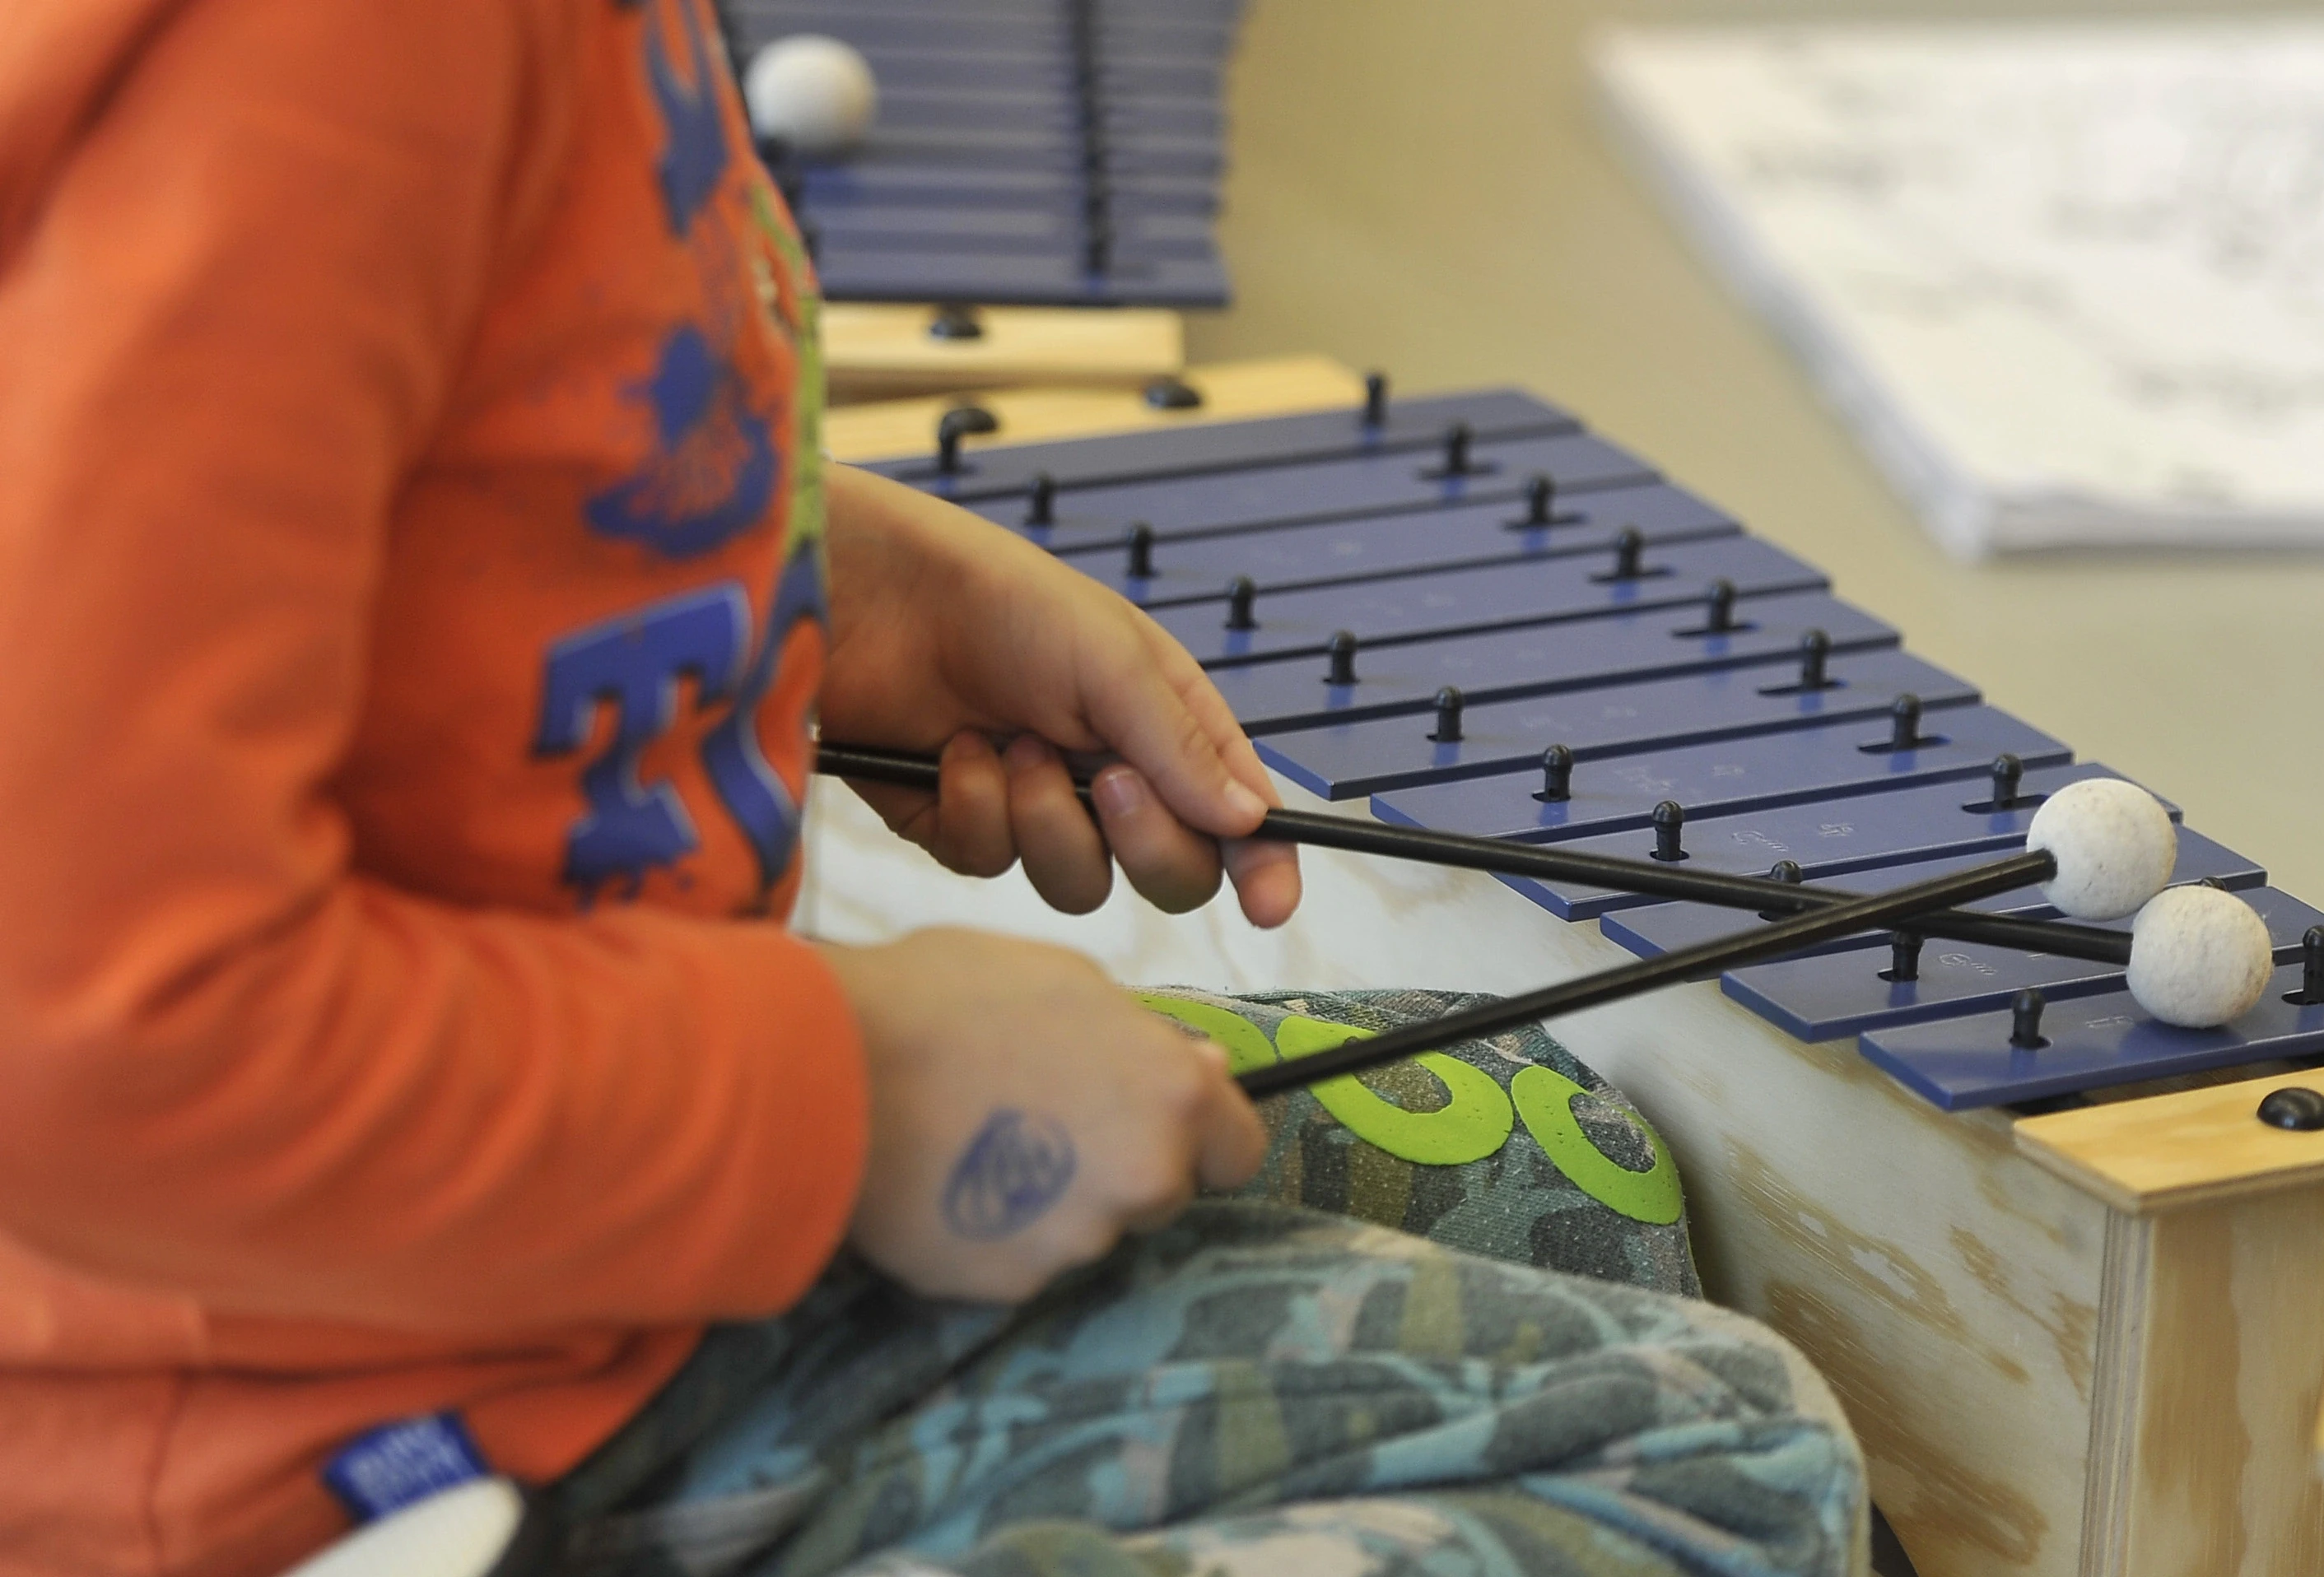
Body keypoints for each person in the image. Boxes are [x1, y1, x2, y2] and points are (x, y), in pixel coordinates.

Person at [0, 2, 1863, 1575]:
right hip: (348, 1433)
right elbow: (89, 1029)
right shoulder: (319, 55)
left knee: (1566, 1152)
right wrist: (854, 1085)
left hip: (552, 1210)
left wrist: (800, 584)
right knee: (1728, 1472)